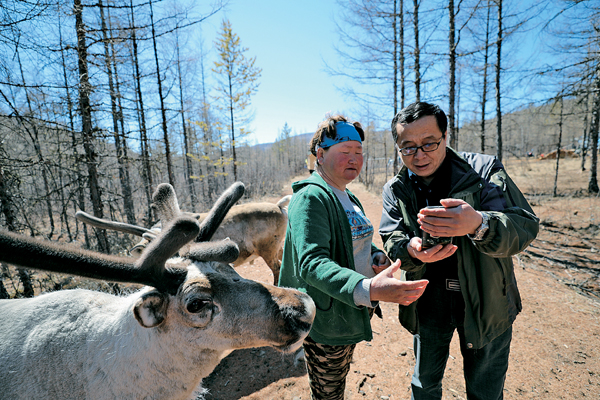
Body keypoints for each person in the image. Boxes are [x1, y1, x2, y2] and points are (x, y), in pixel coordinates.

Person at [379, 101, 539, 400]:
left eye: (429, 143)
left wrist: (478, 224)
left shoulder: (483, 171)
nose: (419, 155)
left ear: (446, 135)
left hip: (487, 298)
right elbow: (392, 235)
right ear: (398, 147)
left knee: (485, 390)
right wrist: (411, 251)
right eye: (408, 147)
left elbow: (525, 226)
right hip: (427, 300)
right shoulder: (396, 188)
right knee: (424, 384)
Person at [279, 114, 428, 400]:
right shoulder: (311, 197)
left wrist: (375, 256)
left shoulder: (348, 196)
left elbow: (356, 240)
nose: (354, 159)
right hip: (325, 320)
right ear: (320, 155)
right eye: (345, 152)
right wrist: (369, 288)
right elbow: (312, 263)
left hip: (347, 310)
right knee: (329, 393)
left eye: (359, 152)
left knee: (338, 382)